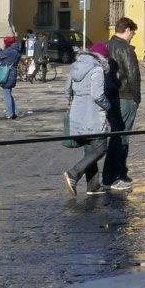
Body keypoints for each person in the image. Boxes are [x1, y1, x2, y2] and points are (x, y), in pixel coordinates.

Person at [62, 43, 111, 194]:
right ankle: (74, 173)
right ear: (102, 57)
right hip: (93, 114)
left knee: (90, 150)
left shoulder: (75, 66)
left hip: (77, 112)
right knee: (101, 148)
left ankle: (93, 186)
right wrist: (108, 106)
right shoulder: (97, 69)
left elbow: (66, 91)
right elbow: (97, 95)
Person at [101, 19, 142, 191]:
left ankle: (121, 171)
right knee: (120, 137)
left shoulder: (106, 45)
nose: (133, 36)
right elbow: (132, 74)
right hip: (124, 96)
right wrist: (136, 98)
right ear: (127, 30)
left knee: (118, 134)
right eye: (133, 32)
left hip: (109, 95)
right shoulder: (125, 48)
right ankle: (111, 177)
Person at [0, 33, 23, 120]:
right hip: (12, 73)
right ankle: (15, 112)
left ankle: (9, 114)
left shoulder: (10, 51)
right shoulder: (16, 51)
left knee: (6, 93)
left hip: (7, 73)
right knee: (8, 93)